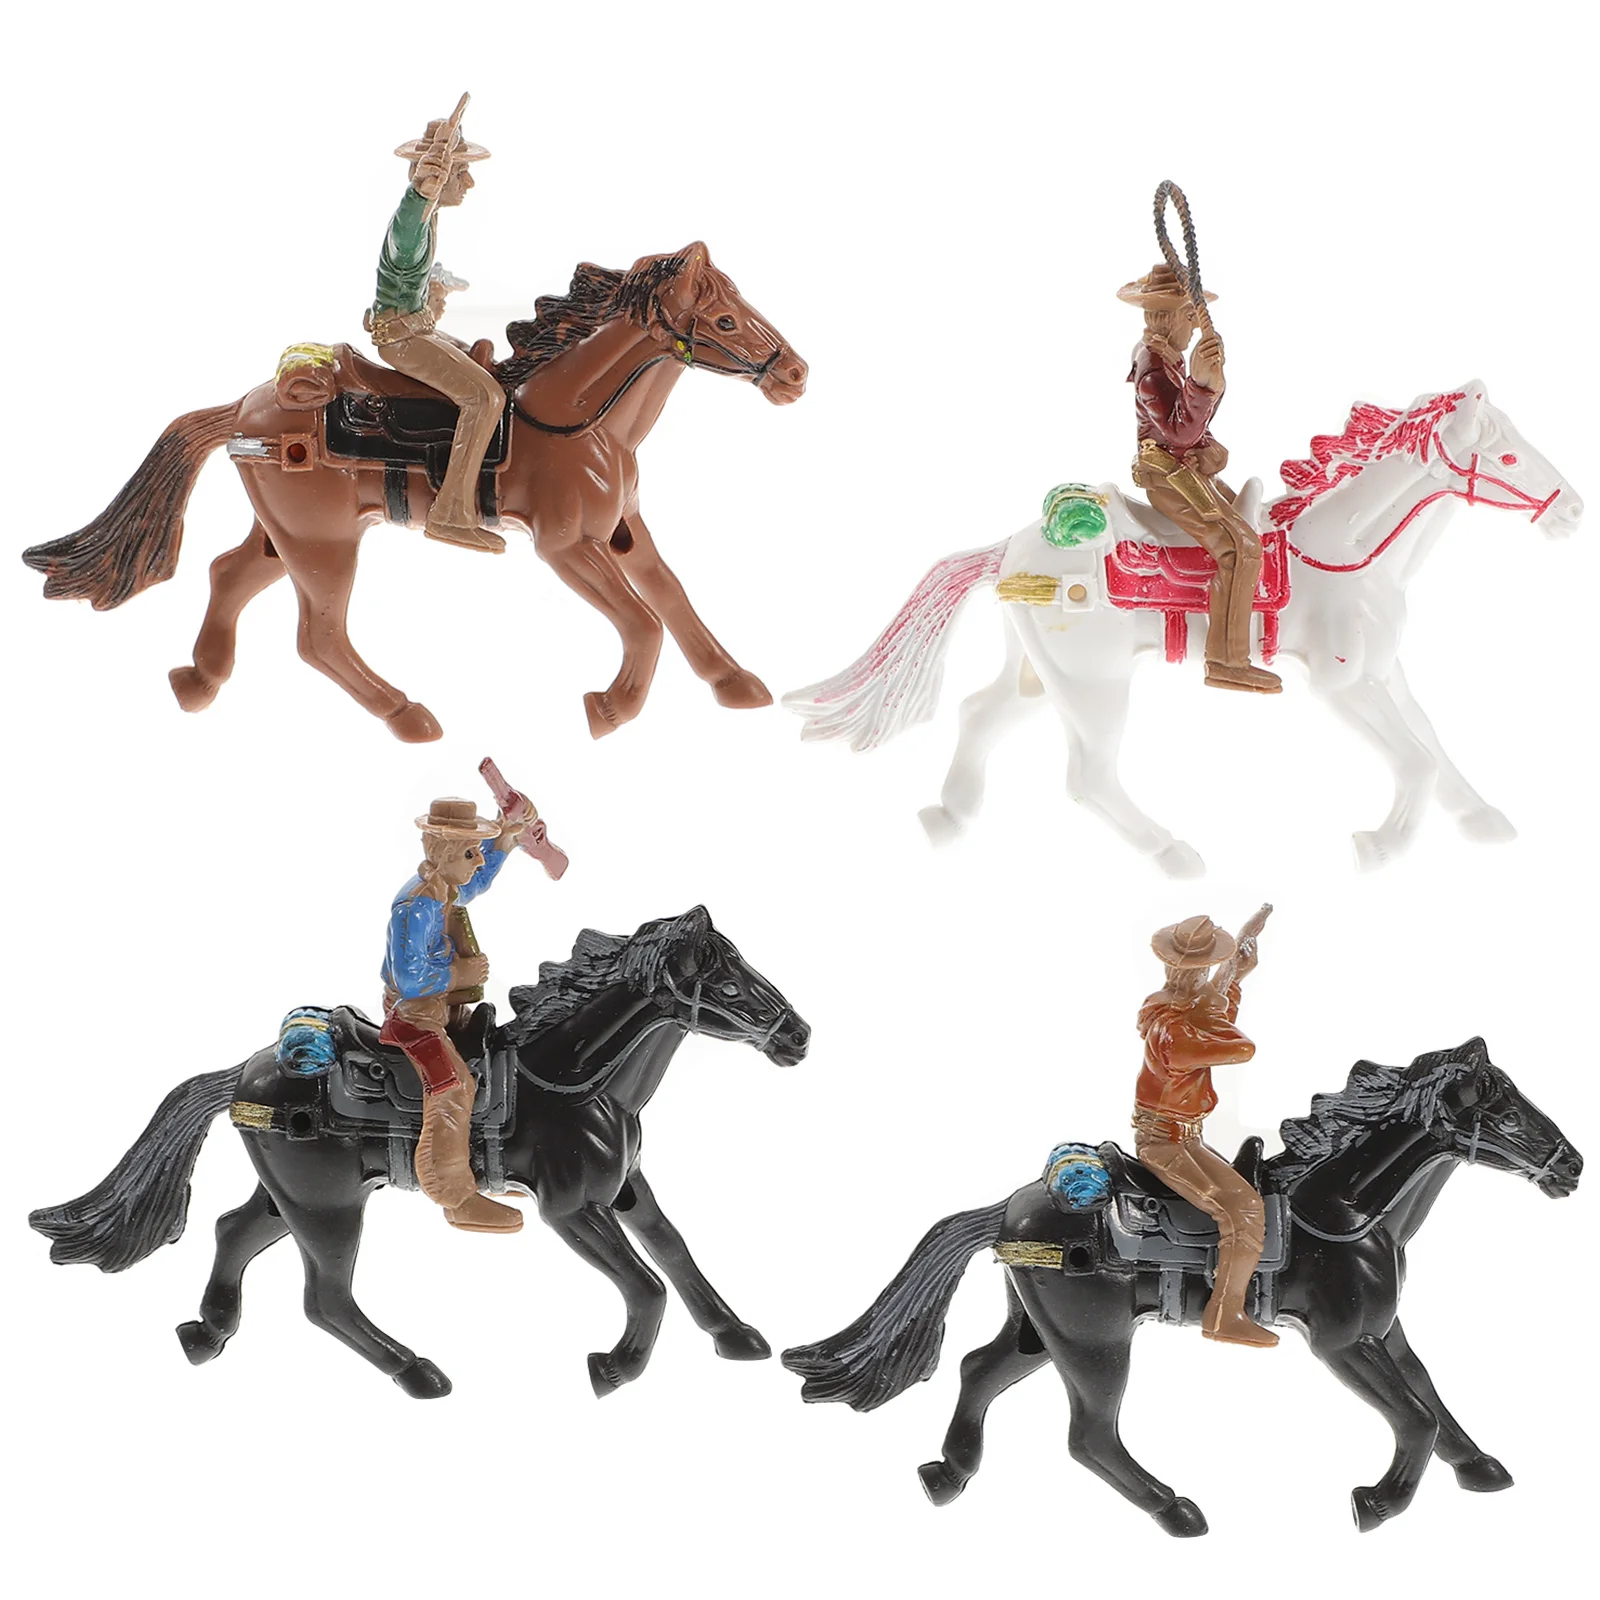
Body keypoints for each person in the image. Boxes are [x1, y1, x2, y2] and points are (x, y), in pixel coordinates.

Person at [1119, 263, 1280, 693]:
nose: (1193, 328)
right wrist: (1203, 386)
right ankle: (1226, 660)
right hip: (1167, 478)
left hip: (1184, 469)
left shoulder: (1164, 358)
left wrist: (1210, 389)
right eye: (1189, 318)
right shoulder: (1153, 370)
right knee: (1240, 548)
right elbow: (1177, 432)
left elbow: (1191, 429)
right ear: (1170, 319)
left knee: (1250, 523)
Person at [380, 797, 528, 1232]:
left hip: (443, 1007)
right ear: (443, 853)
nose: (477, 860)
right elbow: (409, 978)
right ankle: (454, 1196)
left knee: (492, 1053)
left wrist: (506, 839)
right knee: (453, 1086)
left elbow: (476, 882)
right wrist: (460, 972)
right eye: (469, 852)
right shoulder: (416, 907)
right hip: (415, 1015)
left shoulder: (444, 887)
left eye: (477, 850)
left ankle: (484, 1161)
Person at [1132, 910, 1278, 1346]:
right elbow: (1240, 1047)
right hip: (1167, 1142)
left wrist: (1235, 975)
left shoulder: (1176, 1011)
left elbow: (1213, 1014)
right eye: (1206, 968)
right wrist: (1226, 981)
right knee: (1244, 1210)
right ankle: (1224, 1314)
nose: (1206, 975)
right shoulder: (1172, 1032)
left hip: (1185, 1135)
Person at [367, 109, 506, 554]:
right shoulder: (412, 221)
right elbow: (405, 233)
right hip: (403, 340)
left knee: (484, 364)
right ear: (436, 176)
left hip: (416, 328)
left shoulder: (429, 221)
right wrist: (420, 193)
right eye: (460, 173)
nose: (469, 182)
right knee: (485, 397)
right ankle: (449, 513)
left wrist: (434, 288)